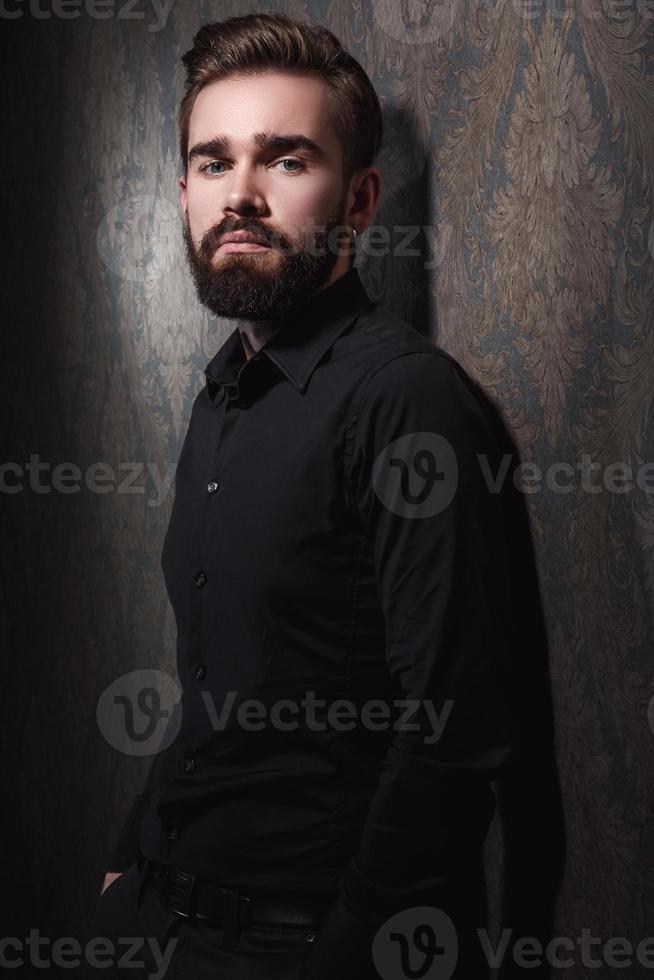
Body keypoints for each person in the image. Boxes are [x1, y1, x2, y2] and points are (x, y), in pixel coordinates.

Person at [84, 11, 521, 979]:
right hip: (158, 911)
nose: (239, 193)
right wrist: (129, 855)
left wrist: (342, 951)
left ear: (358, 199)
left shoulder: (406, 397)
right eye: (211, 162)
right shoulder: (221, 393)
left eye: (285, 160)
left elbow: (453, 728)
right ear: (183, 192)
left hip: (298, 942)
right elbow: (218, 677)